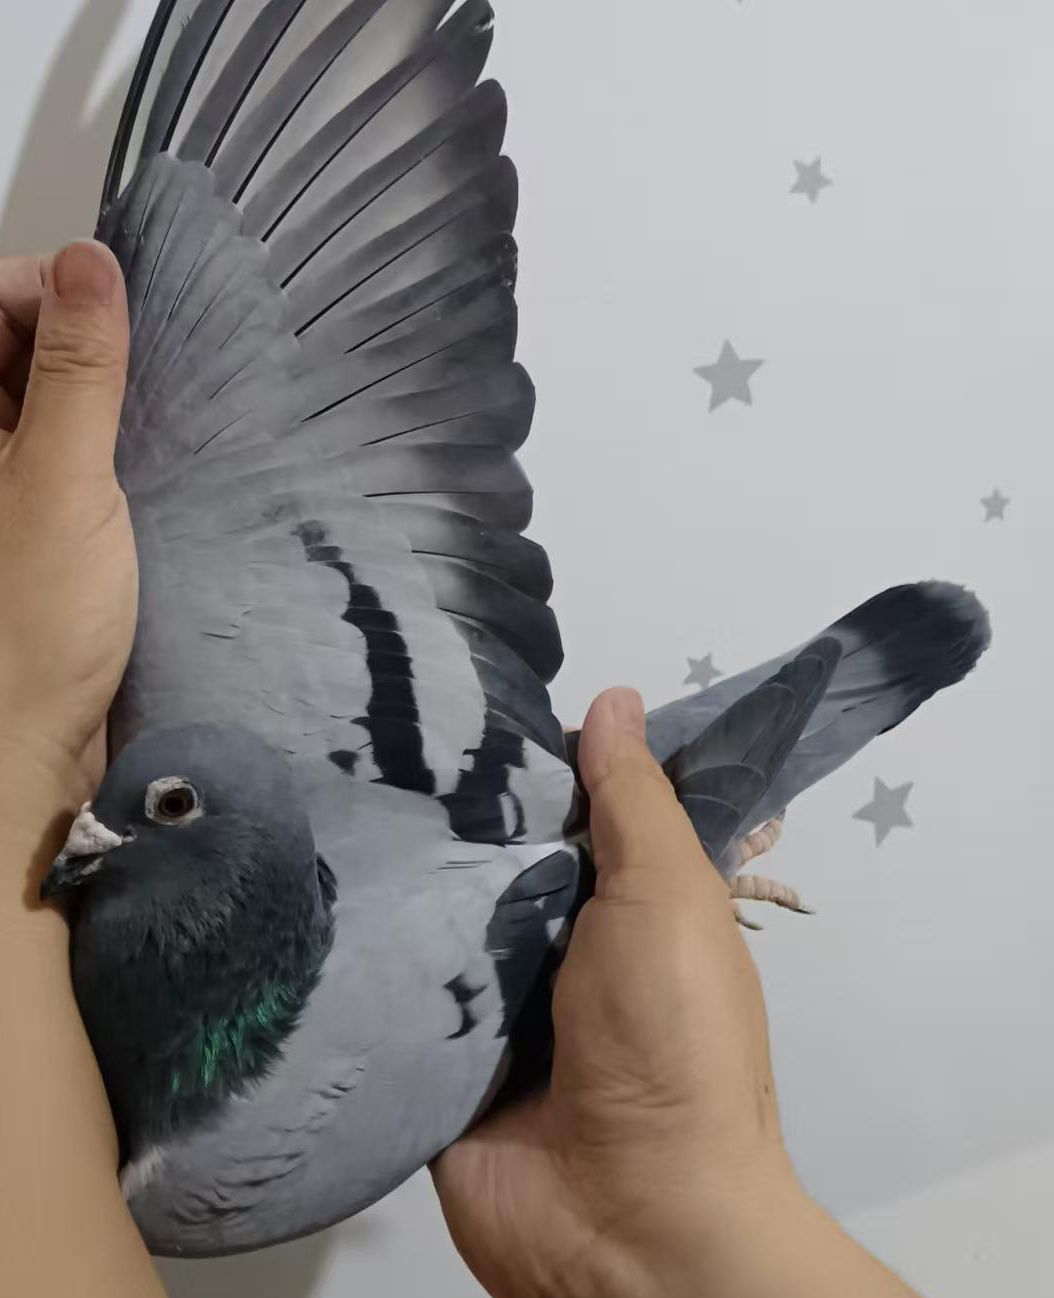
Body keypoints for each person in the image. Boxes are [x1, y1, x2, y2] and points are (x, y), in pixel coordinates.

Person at [0, 241, 921, 1298]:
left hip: (524, 870)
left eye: (158, 807)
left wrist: (22, 747)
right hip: (501, 838)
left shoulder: (182, 1175)